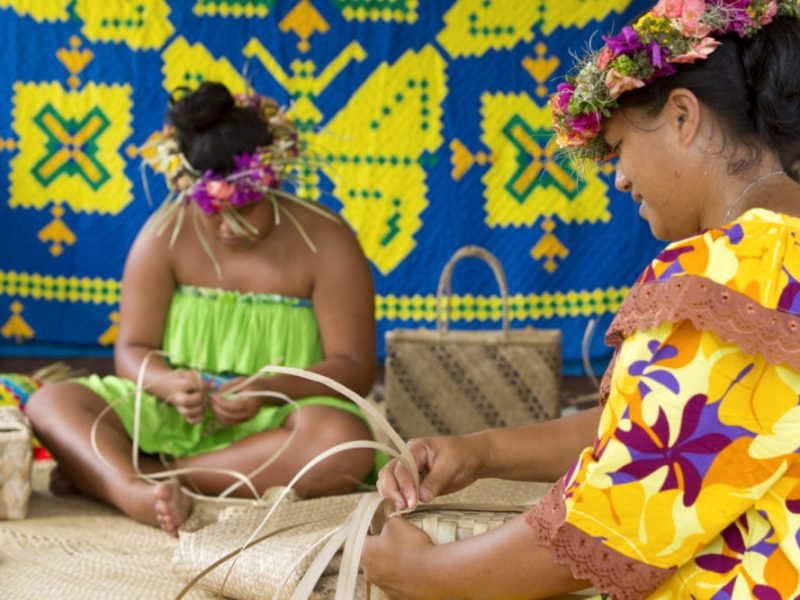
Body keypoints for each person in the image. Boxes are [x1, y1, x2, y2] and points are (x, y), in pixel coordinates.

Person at [362, 1, 800, 597]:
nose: (618, 178)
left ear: (682, 117)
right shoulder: (778, 263)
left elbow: (615, 522)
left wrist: (425, 575)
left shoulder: (731, 272)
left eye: (618, 145)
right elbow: (679, 425)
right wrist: (482, 451)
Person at [26, 82, 379, 537]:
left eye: (246, 208)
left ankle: (144, 479)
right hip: (174, 414)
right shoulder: (165, 235)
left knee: (343, 443)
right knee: (51, 401)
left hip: (278, 420)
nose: (227, 228)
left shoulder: (326, 241)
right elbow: (132, 348)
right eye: (212, 209)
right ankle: (135, 489)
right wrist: (166, 383)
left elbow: (354, 368)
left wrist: (269, 388)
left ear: (272, 182)